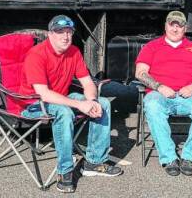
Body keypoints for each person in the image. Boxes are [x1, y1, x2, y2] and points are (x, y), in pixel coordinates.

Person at [19, 14, 123, 193]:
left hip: (59, 99)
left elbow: (88, 83)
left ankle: (94, 162)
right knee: (65, 112)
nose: (65, 36)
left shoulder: (74, 51)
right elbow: (43, 94)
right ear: (50, 34)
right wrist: (79, 105)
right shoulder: (37, 55)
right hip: (33, 104)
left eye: (69, 32)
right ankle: (65, 171)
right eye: (60, 32)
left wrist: (90, 101)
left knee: (103, 103)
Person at [135, 11, 192, 177]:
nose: (175, 29)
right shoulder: (151, 46)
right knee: (151, 105)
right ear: (165, 26)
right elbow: (140, 73)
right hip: (160, 95)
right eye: (172, 24)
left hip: (190, 94)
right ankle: (169, 158)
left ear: (185, 28)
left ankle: (190, 157)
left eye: (179, 25)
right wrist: (159, 87)